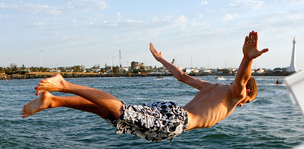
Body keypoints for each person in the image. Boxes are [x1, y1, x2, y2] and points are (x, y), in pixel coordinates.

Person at [22, 31, 268, 142]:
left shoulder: (213, 86)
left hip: (171, 110)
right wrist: (247, 59)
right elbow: (241, 81)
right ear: (247, 93)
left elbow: (182, 76)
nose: (242, 103)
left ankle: (54, 101)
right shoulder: (235, 94)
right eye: (246, 101)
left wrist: (162, 60)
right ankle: (65, 85)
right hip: (176, 122)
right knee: (121, 110)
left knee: (110, 114)